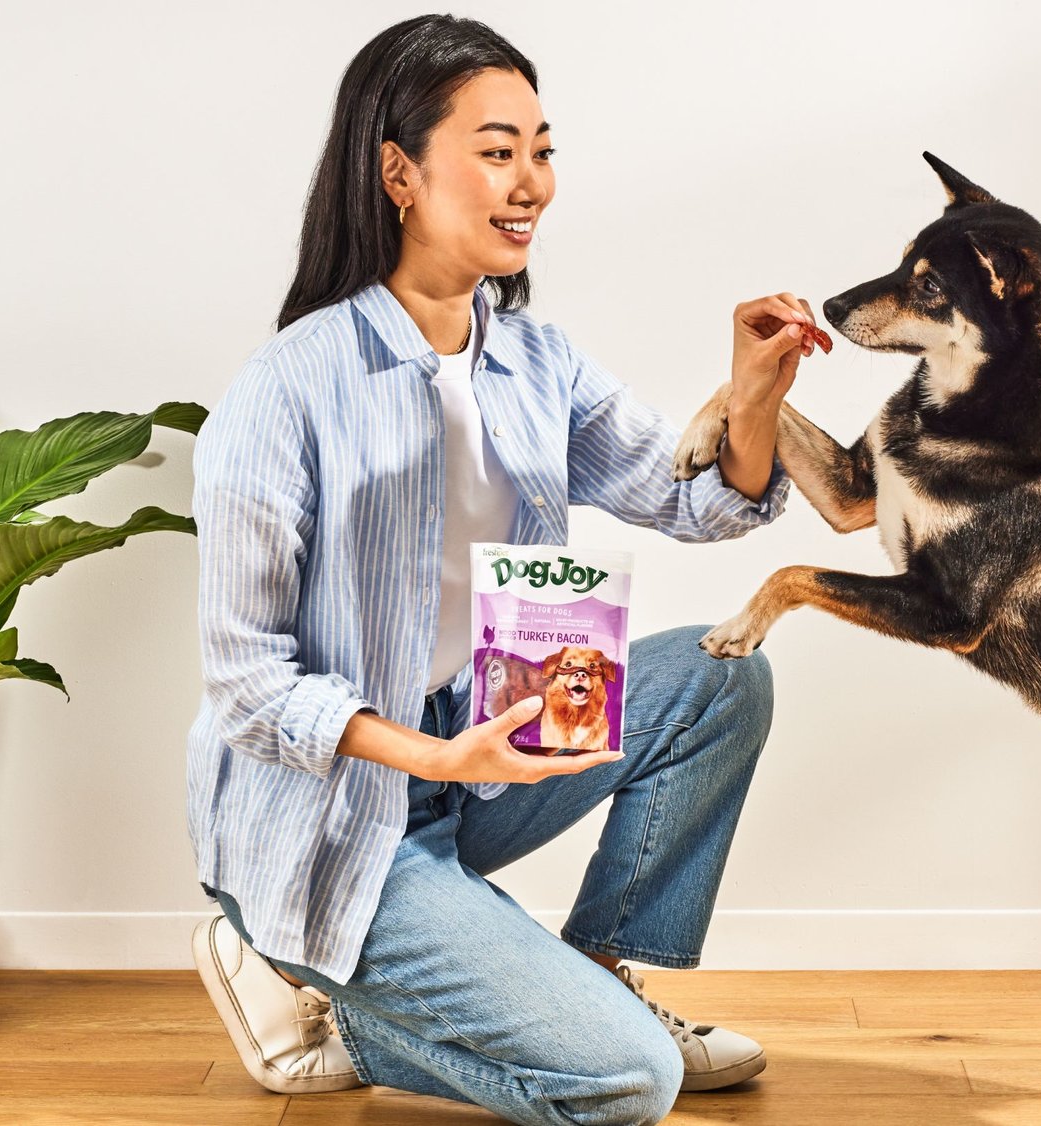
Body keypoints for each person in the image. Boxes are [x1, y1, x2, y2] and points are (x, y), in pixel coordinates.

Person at [183, 14, 828, 1125]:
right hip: (337, 809)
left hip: (482, 750)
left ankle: (599, 974)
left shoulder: (534, 359)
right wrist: (431, 747)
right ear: (398, 171)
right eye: (495, 150)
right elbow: (245, 683)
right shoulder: (286, 389)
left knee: (725, 677)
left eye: (541, 149)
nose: (530, 181)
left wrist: (753, 391)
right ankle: (290, 969)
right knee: (631, 1082)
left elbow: (692, 500)